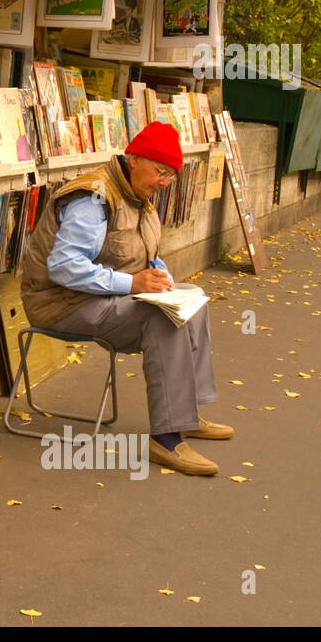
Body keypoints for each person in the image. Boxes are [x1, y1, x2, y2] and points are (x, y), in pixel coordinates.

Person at [20, 121, 233, 476]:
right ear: (134, 159)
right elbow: (63, 268)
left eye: (171, 175)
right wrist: (133, 283)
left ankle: (186, 414)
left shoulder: (138, 195)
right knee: (161, 319)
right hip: (61, 304)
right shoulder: (94, 198)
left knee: (192, 306)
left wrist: (161, 278)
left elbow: (139, 250)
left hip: (97, 298)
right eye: (160, 171)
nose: (165, 182)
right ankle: (166, 440)